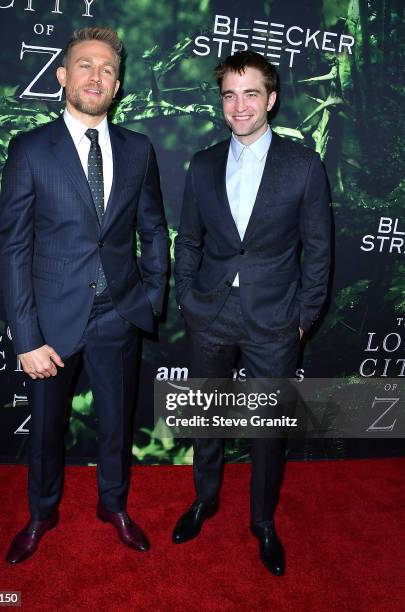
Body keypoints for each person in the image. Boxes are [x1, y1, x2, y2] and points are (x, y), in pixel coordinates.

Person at [0, 26, 168, 563]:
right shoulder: (30, 149)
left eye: (108, 69)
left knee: (117, 424)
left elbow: (154, 230)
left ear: (117, 86)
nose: (97, 75)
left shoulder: (139, 150)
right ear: (63, 75)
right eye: (86, 65)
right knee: (47, 431)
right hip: (50, 322)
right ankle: (42, 512)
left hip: (118, 313)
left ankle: (112, 504)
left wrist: (151, 298)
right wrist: (26, 336)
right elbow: (14, 250)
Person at [173, 51, 331, 576]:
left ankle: (262, 520)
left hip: (275, 317)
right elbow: (189, 241)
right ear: (222, 101)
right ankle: (205, 499)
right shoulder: (201, 164)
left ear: (272, 99)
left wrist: (304, 316)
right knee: (207, 416)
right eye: (230, 95)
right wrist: (188, 300)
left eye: (251, 94)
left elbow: (319, 249)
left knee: (266, 427)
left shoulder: (304, 166)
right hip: (211, 312)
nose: (239, 106)